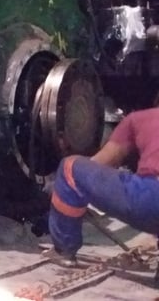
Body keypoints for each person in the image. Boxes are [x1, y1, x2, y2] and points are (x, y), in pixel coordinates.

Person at [46, 105, 159, 266]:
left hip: (152, 198)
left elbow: (101, 163)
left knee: (70, 169)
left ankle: (63, 249)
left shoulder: (139, 119)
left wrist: (60, 189)